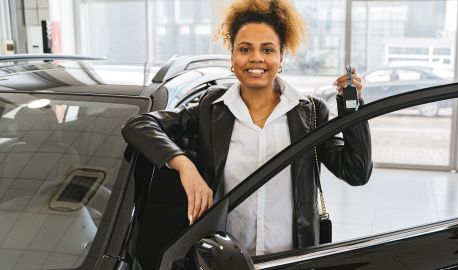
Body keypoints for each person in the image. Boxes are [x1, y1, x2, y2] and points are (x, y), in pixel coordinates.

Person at [122, 0, 372, 256]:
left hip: (290, 260)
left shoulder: (310, 113)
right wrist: (184, 165)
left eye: (267, 50)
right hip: (225, 260)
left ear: (280, 57)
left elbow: (356, 171)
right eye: (245, 49)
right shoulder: (211, 109)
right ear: (232, 57)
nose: (256, 58)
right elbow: (139, 124)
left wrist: (352, 107)